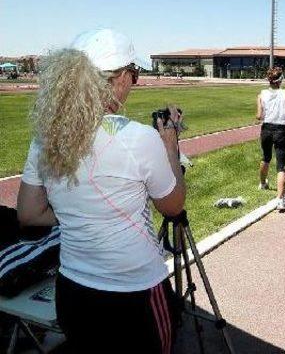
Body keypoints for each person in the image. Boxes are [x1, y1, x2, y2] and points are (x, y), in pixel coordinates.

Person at [16, 28, 184, 354]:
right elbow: (174, 206)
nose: (133, 84)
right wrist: (170, 146)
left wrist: (80, 214)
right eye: (133, 75)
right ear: (119, 77)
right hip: (136, 293)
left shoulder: (45, 137)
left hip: (74, 292)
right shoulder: (139, 138)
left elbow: (29, 213)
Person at [256, 66, 285, 210]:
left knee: (266, 157)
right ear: (281, 80)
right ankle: (280, 199)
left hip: (266, 129)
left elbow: (259, 116)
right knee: (281, 164)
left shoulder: (261, 95)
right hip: (281, 130)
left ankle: (263, 183)